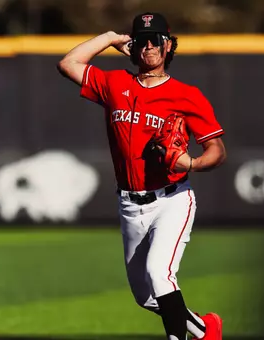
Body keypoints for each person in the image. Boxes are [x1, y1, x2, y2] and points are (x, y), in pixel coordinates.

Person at [57, 11, 226, 340]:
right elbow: (68, 64)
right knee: (146, 296)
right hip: (130, 205)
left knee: (159, 276)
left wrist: (190, 164)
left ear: (167, 47)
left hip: (172, 199)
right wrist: (109, 38)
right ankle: (207, 330)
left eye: (156, 41)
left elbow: (217, 151)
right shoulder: (113, 83)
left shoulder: (186, 95)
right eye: (142, 41)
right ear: (133, 48)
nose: (149, 46)